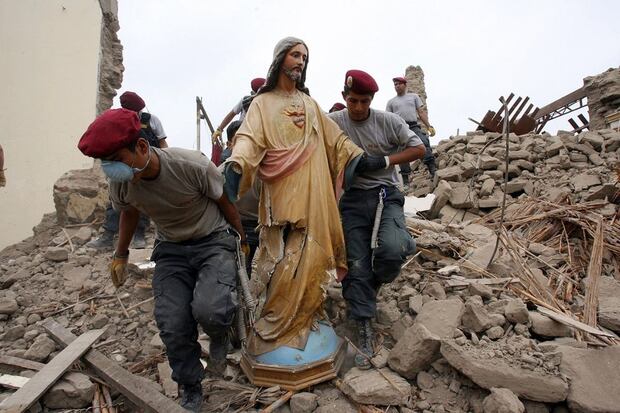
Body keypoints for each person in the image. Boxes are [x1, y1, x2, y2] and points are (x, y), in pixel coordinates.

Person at [77, 108, 245, 412]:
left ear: (142, 147)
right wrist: (120, 254)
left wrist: (241, 239)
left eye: (116, 159)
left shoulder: (190, 165)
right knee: (172, 322)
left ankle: (221, 333)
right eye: (106, 163)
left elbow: (224, 201)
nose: (112, 169)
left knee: (211, 309)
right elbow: (129, 213)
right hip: (171, 249)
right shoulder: (122, 182)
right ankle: (190, 385)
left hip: (212, 240)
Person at [223, 37, 368, 357]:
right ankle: (277, 321)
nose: (300, 61)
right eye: (294, 55)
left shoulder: (309, 103)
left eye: (304, 56)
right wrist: (237, 163)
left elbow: (335, 139)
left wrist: (356, 156)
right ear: (280, 59)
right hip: (281, 190)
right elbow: (248, 138)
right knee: (281, 253)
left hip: (314, 188)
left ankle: (307, 316)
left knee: (312, 251)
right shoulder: (262, 104)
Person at [328, 70, 425, 369]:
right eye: (353, 101)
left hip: (386, 194)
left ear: (372, 99)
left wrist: (383, 160)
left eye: (364, 101)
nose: (358, 107)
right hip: (352, 200)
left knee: (392, 250)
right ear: (344, 97)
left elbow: (419, 148)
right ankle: (364, 326)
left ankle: (392, 255)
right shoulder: (333, 122)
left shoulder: (388, 121)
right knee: (356, 265)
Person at [87, 91, 168, 250]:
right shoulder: (118, 122)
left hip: (145, 167)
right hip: (124, 166)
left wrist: (165, 163)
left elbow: (163, 144)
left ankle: (139, 235)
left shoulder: (151, 121)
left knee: (143, 200)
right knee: (116, 200)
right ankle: (107, 236)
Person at [386, 76, 437, 182]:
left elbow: (421, 112)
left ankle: (433, 170)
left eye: (399, 84)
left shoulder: (414, 96)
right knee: (401, 151)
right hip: (399, 128)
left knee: (423, 142)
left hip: (413, 126)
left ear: (405, 85)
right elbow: (388, 119)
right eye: (395, 84)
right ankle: (405, 180)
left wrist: (429, 126)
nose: (397, 86)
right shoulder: (391, 102)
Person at [212, 77, 266, 143]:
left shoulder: (267, 106)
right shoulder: (246, 101)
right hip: (242, 134)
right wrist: (219, 129)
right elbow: (232, 114)